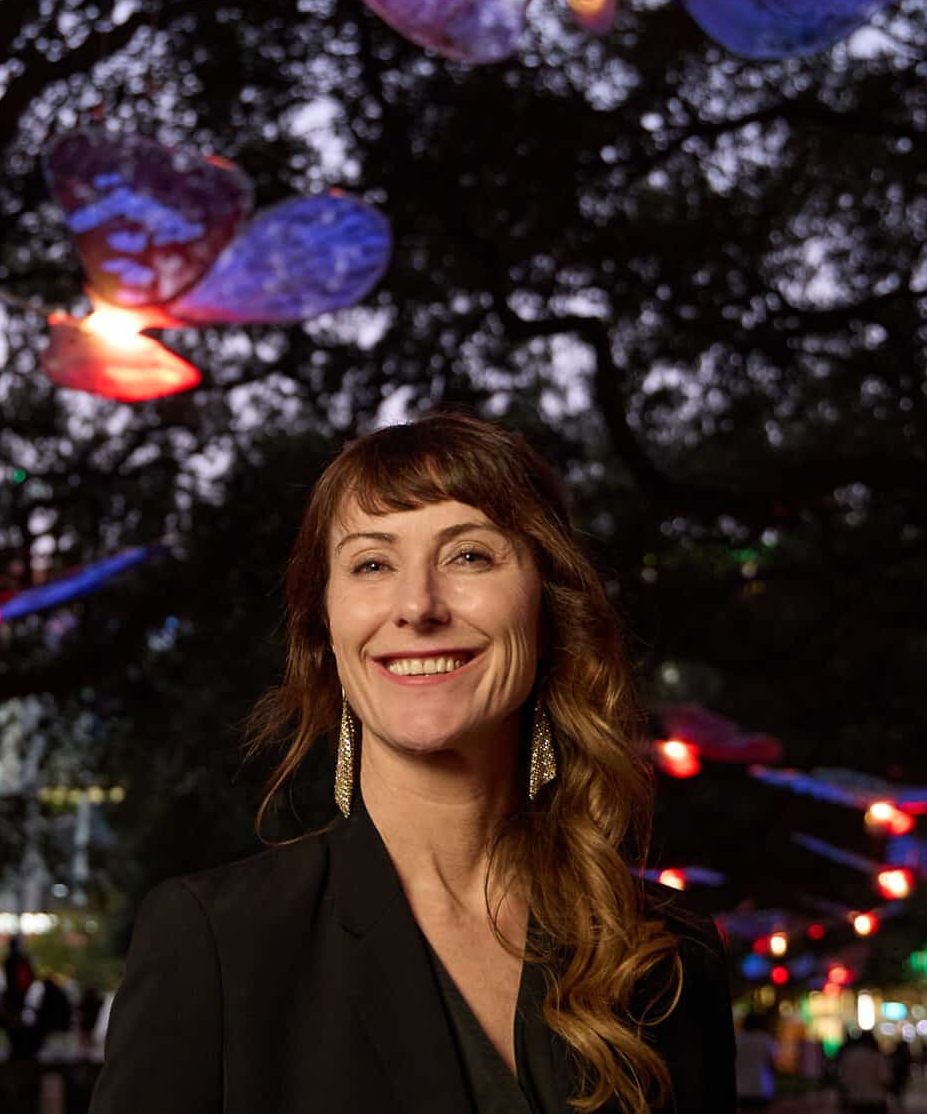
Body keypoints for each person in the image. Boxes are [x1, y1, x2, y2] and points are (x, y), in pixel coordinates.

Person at [92, 412, 736, 1114]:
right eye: (372, 563)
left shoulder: (669, 957)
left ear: (548, 610)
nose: (418, 606)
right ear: (326, 633)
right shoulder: (215, 944)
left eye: (469, 556)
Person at [836, 1030, 891, 1114]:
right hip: (876, 1099)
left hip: (855, 1098)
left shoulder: (849, 1056)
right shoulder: (877, 1057)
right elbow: (884, 1078)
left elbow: (843, 1079)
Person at [734, 1010, 777, 1112]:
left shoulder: (737, 1039)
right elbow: (771, 1062)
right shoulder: (765, 1039)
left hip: (741, 1087)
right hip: (761, 1087)